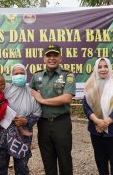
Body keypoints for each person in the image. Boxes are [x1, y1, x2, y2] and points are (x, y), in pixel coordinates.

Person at [30, 45, 75, 175]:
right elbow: (30, 97)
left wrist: (42, 100)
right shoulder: (37, 76)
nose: (52, 58)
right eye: (48, 55)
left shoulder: (68, 75)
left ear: (60, 57)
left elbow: (66, 98)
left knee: (64, 158)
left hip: (61, 123)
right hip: (43, 123)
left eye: (55, 55)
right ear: (44, 58)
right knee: (47, 159)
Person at [0, 63, 41, 175]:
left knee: (22, 168)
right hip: (2, 135)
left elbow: (37, 112)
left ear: (26, 75)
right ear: (11, 75)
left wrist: (27, 120)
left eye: (21, 73)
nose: (19, 75)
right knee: (0, 167)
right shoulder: (3, 90)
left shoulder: (31, 93)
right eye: (16, 73)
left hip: (22, 137)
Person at [83, 57, 113, 175]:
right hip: (95, 130)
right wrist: (97, 121)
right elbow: (86, 106)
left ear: (110, 67)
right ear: (95, 69)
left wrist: (106, 122)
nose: (103, 69)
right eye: (99, 67)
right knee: (100, 161)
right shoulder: (90, 85)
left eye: (105, 66)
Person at [0, 72, 32, 136]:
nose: (3, 86)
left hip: (3, 108)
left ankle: (20, 130)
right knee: (14, 117)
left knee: (15, 117)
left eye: (4, 84)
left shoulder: (0, 91)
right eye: (0, 85)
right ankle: (21, 131)